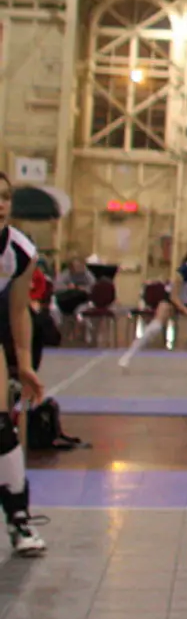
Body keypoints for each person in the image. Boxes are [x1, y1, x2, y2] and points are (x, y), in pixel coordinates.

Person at [0, 174, 47, 555]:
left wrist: (24, 363)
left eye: (4, 197)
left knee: (1, 425)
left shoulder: (20, 251)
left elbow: (19, 312)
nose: (0, 204)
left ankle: (19, 520)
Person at [120, 242, 187, 374]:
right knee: (156, 326)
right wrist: (184, 310)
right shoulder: (185, 270)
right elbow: (173, 295)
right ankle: (128, 356)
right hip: (173, 300)